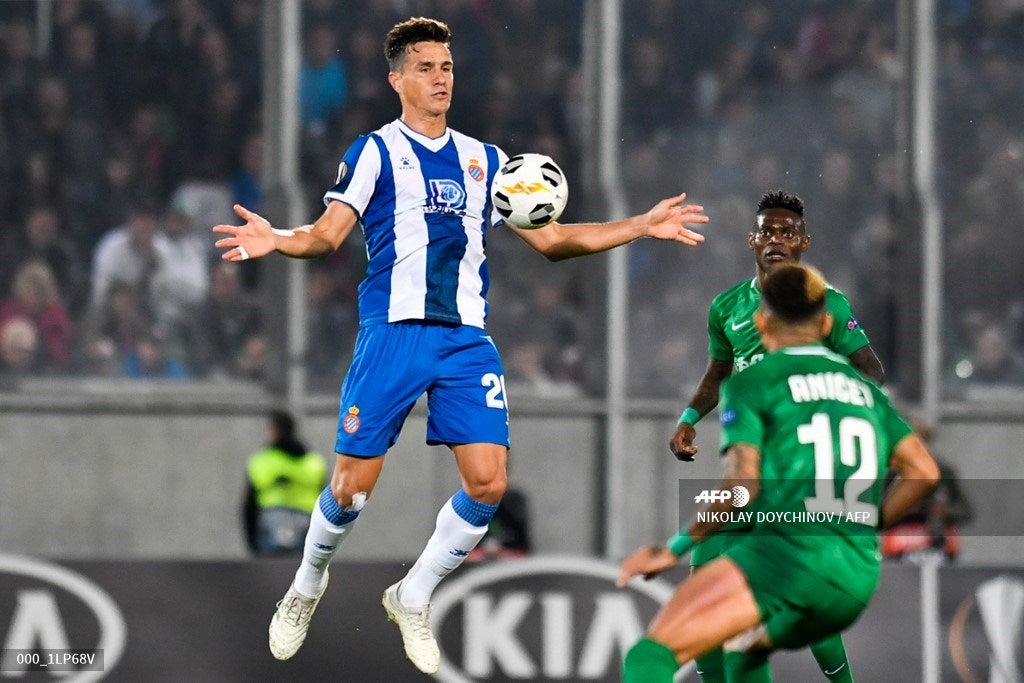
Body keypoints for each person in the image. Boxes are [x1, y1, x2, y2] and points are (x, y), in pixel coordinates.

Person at [212, 17, 709, 675]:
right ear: (397, 80)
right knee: (351, 489)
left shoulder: (488, 161)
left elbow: (554, 240)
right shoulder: (374, 152)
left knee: (489, 481)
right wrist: (278, 237)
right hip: (391, 332)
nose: (440, 77)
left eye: (446, 67)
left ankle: (412, 592)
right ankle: (306, 583)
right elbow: (329, 234)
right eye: (425, 67)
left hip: (465, 342)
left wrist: (641, 225)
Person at [618, 263, 940, 682]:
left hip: (786, 557)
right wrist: (868, 523)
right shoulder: (865, 392)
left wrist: (674, 546)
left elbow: (742, 488)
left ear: (761, 320)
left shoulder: (754, 383)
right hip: (856, 578)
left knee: (650, 656)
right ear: (826, 323)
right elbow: (924, 471)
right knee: (745, 650)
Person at [668, 189, 885, 682]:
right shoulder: (727, 308)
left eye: (788, 232)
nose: (776, 239)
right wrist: (687, 418)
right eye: (767, 230)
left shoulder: (827, 304)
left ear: (804, 243)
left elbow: (871, 372)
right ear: (751, 241)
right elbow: (718, 375)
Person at [243, 410, 328, 556]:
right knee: (301, 573)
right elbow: (327, 507)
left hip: (269, 524)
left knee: (268, 575)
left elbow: (249, 507)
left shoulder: (262, 461)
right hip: (306, 525)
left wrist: (252, 545)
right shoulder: (314, 463)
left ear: (275, 430)